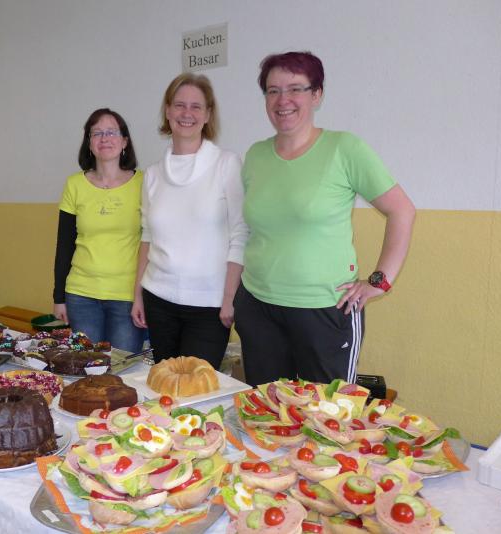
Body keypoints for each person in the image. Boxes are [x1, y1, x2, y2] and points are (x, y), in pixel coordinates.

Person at [235, 51, 416, 386]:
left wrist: (379, 281)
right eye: (273, 91)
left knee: (328, 412)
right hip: (258, 306)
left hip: (324, 310)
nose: (283, 100)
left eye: (295, 89)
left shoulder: (344, 148)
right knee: (266, 410)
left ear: (316, 94)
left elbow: (401, 210)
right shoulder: (256, 155)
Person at [131, 73, 249, 370]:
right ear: (167, 111)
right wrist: (137, 295)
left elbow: (240, 234)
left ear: (208, 114)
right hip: (158, 300)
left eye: (196, 106)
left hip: (209, 307)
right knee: (165, 386)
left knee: (197, 390)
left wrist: (229, 298)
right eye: (179, 105)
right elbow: (147, 237)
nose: (187, 113)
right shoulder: (153, 174)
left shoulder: (227, 164)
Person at [52, 108, 145, 353]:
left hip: (127, 296)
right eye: (97, 133)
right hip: (81, 295)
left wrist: (143, 295)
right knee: (85, 368)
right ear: (89, 143)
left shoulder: (144, 183)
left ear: (124, 141)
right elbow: (64, 244)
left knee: (123, 368)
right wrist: (58, 297)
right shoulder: (74, 184)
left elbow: (152, 243)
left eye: (112, 132)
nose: (105, 138)